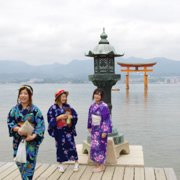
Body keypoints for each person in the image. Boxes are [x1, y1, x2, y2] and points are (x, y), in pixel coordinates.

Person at [7, 85, 45, 180]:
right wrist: (17, 129)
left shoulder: (35, 110)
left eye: (25, 93)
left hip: (31, 142)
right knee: (19, 162)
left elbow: (40, 125)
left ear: (30, 95)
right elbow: (10, 122)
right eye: (21, 93)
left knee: (29, 166)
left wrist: (33, 136)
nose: (22, 96)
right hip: (18, 141)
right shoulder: (14, 110)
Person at [47, 89, 79, 172]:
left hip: (68, 129)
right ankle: (60, 164)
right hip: (59, 131)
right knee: (60, 148)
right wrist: (59, 117)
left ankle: (76, 162)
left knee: (72, 146)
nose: (64, 98)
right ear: (58, 97)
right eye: (62, 97)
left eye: (65, 97)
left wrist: (72, 117)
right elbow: (50, 120)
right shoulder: (52, 108)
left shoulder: (67, 107)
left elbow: (75, 115)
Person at [88, 88, 112, 172]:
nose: (97, 96)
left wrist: (105, 131)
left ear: (101, 96)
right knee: (95, 146)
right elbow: (89, 117)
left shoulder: (104, 106)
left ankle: (101, 166)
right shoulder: (92, 105)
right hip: (94, 129)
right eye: (95, 94)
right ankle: (98, 164)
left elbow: (106, 119)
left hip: (101, 129)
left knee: (101, 147)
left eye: (99, 94)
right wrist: (89, 126)